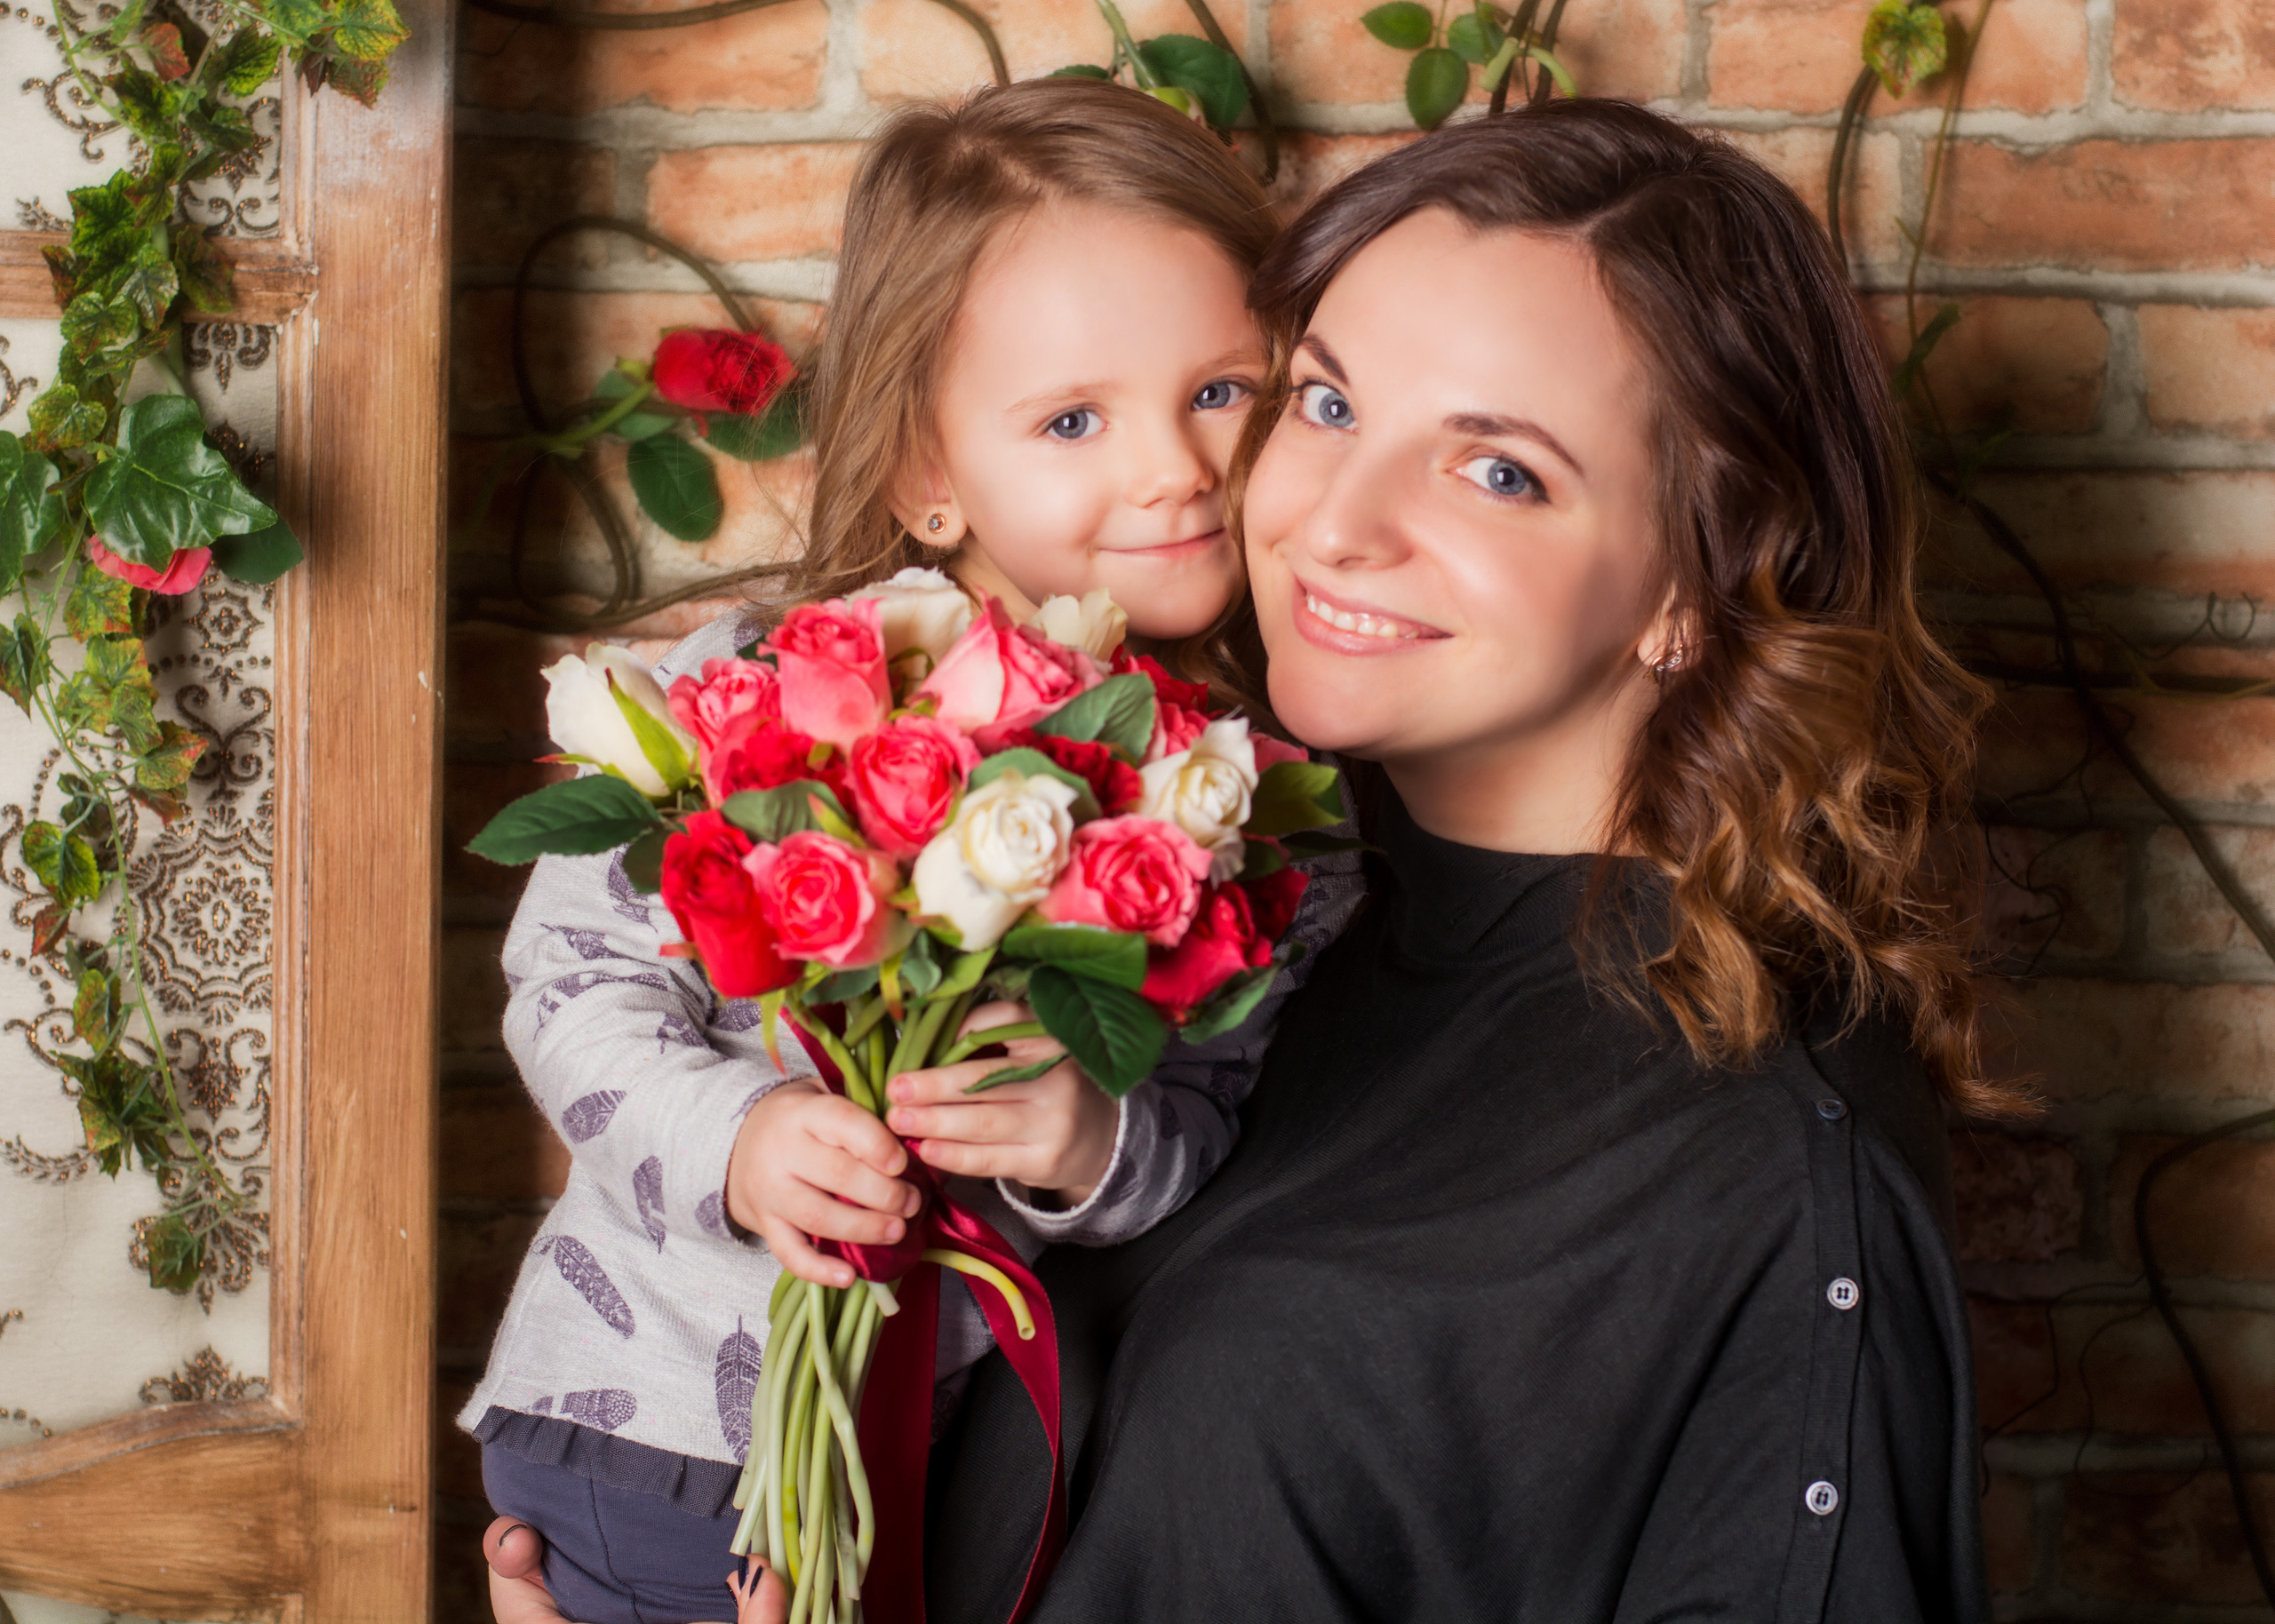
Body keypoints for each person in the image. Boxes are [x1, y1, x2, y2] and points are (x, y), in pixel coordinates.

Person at [926, 98, 2008, 1623]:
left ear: (1699, 578)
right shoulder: (1223, 906)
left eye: (1498, 470)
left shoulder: (1768, 1161)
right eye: (1325, 403)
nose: (1336, 522)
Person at [469, 77, 1363, 1624]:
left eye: (1225, 390)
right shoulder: (747, 697)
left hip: (944, 1469)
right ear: (927, 480)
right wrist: (738, 1142)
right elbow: (567, 983)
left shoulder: (1254, 808)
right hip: (651, 1432)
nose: (1176, 467)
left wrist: (1090, 1147)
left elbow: (1207, 1122)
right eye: (1075, 419)